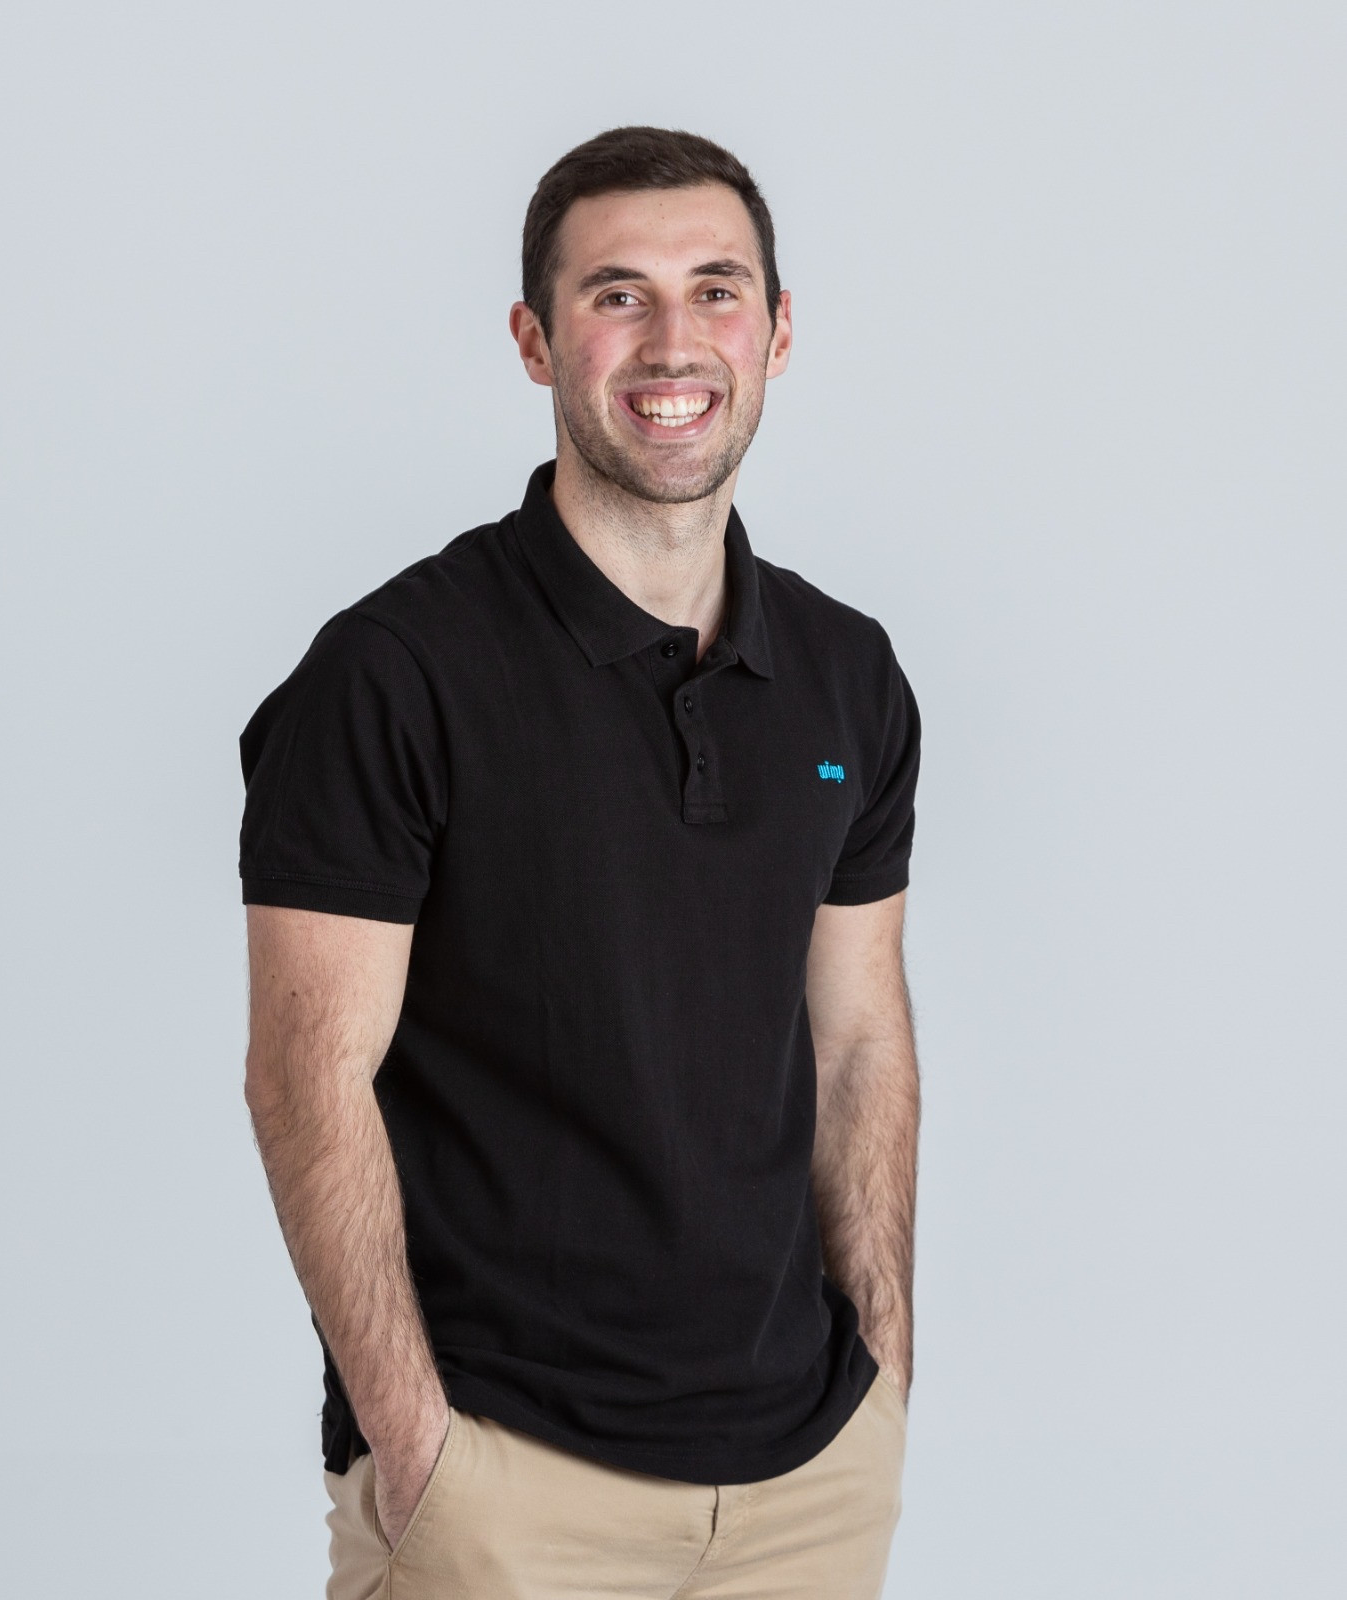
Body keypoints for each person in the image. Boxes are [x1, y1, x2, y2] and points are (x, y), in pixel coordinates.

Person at [239, 125, 923, 1600]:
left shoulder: (847, 674)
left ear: (778, 332)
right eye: (618, 295)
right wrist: (417, 1451)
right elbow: (305, 1078)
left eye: (716, 290)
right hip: (506, 1485)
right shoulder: (393, 674)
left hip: (808, 1481)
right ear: (535, 340)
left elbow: (862, 1039)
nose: (674, 342)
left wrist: (883, 1378)